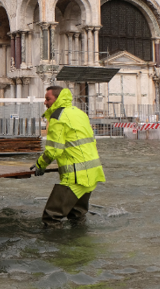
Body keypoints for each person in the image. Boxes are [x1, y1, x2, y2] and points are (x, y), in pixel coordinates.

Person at [33, 86, 105, 227]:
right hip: (91, 174)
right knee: (77, 215)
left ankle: (60, 248)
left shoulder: (58, 118)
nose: (45, 102)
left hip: (75, 177)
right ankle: (79, 245)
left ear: (57, 99)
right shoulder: (79, 113)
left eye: (48, 99)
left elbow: (54, 151)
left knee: (51, 218)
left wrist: (40, 165)